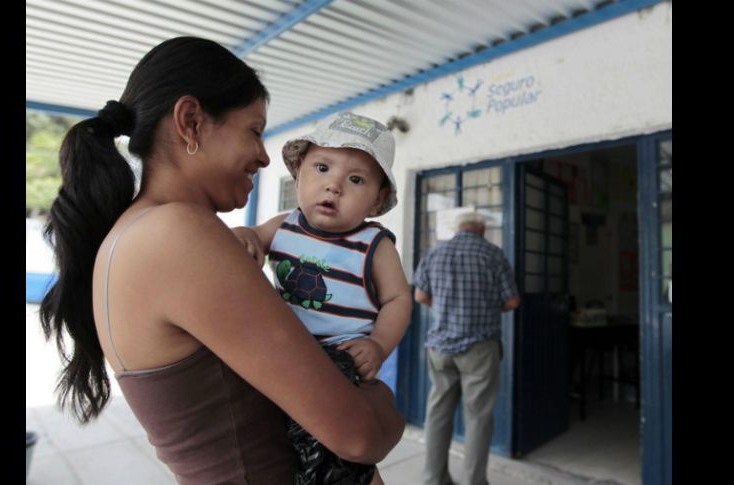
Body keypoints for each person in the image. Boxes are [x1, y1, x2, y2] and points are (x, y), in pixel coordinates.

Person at [38, 37, 404, 485]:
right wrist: (384, 400)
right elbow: (358, 435)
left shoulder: (130, 234)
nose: (265, 156)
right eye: (254, 131)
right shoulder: (178, 234)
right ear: (191, 122)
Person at [233, 111, 412, 485]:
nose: (334, 186)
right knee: (279, 449)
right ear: (299, 173)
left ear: (377, 201)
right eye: (322, 168)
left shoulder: (373, 245)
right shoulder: (283, 226)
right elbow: (252, 239)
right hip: (285, 358)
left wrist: (378, 344)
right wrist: (247, 236)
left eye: (356, 179)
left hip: (340, 366)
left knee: (343, 462)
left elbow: (398, 300)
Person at [413, 212, 520, 485]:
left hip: (440, 346)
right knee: (478, 417)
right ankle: (474, 481)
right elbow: (513, 302)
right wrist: (485, 308)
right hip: (480, 347)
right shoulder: (493, 254)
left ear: (458, 229)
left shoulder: (435, 252)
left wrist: (446, 310)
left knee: (437, 414)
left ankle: (433, 479)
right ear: (481, 230)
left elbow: (420, 295)